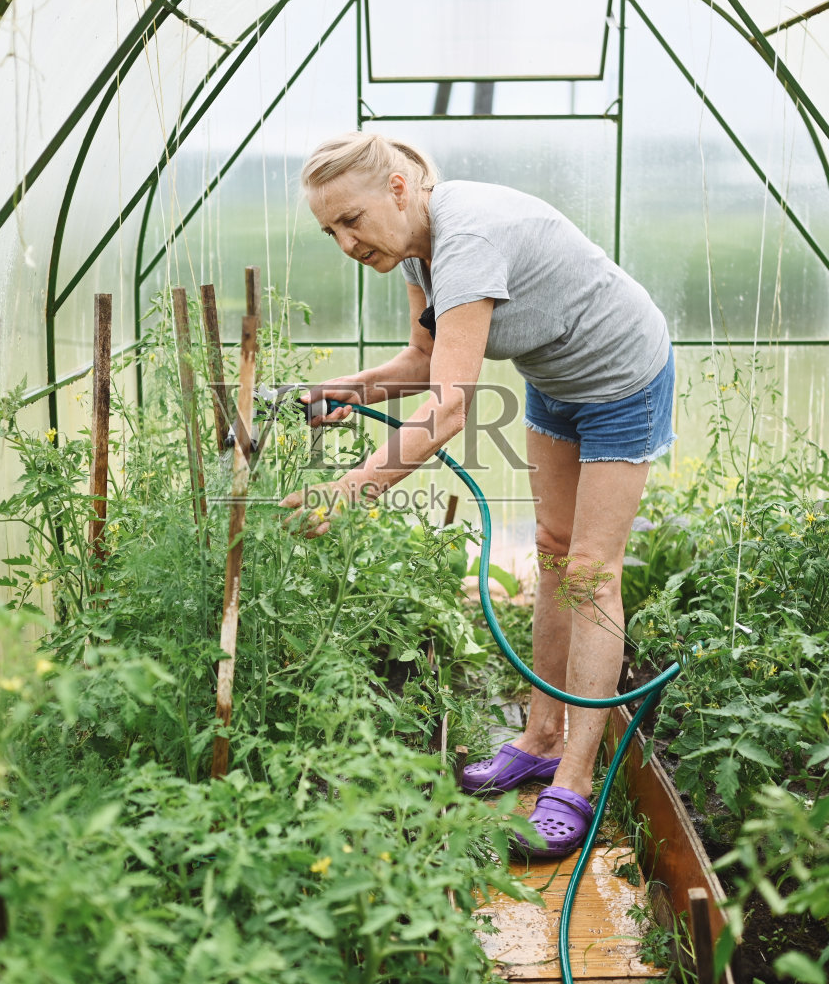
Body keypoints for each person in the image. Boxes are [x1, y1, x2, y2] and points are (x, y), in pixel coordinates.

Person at [280, 132, 674, 858]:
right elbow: (425, 359)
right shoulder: (418, 250)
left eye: (352, 219)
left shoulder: (467, 240)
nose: (345, 242)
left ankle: (577, 780)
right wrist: (345, 388)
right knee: (553, 549)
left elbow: (447, 408)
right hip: (557, 380)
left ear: (399, 188)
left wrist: (346, 491)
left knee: (590, 569)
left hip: (622, 376)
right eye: (329, 229)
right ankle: (540, 736)